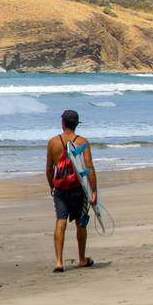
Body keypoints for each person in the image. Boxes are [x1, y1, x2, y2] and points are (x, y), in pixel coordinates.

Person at [45, 109, 97, 272]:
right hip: (78, 189)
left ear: (63, 123)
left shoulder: (53, 142)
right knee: (80, 223)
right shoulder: (82, 142)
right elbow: (89, 167)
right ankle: (81, 258)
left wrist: (51, 185)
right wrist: (93, 190)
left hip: (60, 188)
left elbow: (49, 169)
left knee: (60, 222)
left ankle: (59, 262)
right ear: (76, 124)